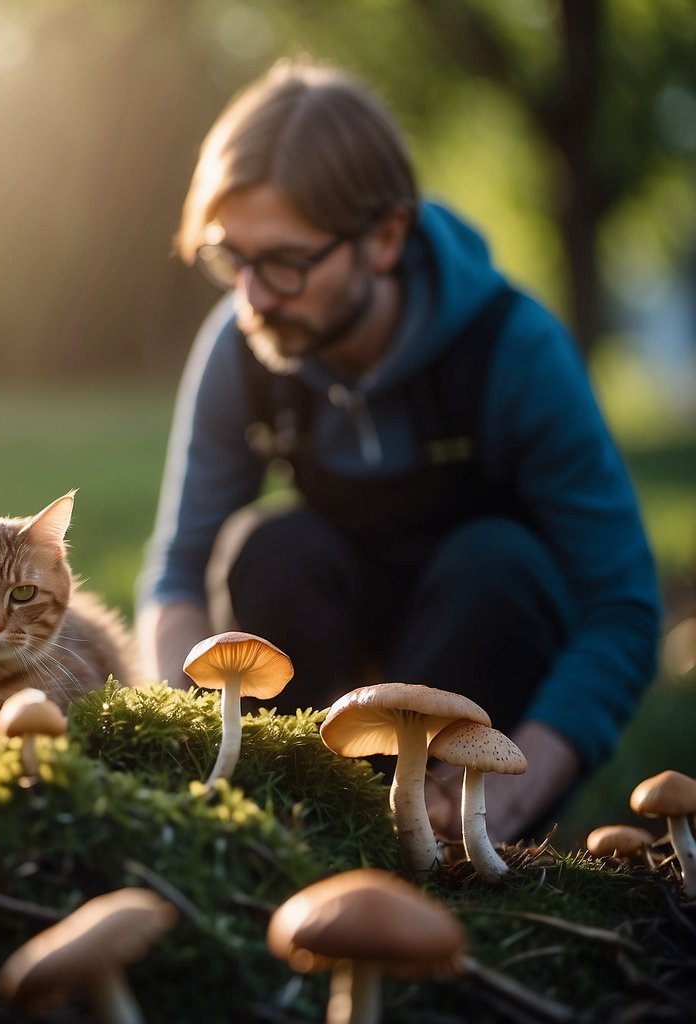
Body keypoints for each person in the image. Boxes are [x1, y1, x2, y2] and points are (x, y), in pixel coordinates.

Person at [134, 59, 661, 844]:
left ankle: (459, 846)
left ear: (385, 237)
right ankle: (302, 823)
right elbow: (179, 571)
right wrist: (183, 734)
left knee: (500, 562)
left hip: (483, 654)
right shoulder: (240, 350)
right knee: (270, 547)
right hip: (327, 662)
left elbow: (620, 610)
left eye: (284, 262)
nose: (251, 297)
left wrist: (521, 785)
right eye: (230, 258)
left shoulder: (515, 351)